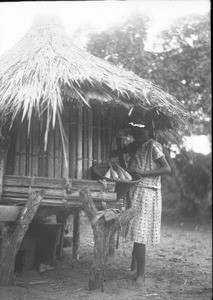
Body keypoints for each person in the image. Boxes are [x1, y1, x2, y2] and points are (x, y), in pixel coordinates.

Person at [109, 116, 171, 287]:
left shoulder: (152, 145)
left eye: (140, 130)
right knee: (137, 232)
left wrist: (142, 173)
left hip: (148, 193)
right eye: (134, 130)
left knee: (140, 235)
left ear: (148, 131)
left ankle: (141, 276)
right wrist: (114, 148)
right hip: (137, 191)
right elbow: (117, 154)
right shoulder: (136, 145)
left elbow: (166, 168)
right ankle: (137, 272)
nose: (136, 132)